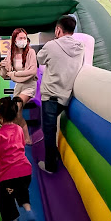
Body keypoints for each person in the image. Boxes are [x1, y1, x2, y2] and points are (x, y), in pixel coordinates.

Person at [37, 15, 84, 174]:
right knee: (52, 130)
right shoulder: (80, 47)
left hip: (50, 96)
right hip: (65, 97)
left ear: (58, 30)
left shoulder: (51, 46)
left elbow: (40, 59)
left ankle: (50, 166)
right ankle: (55, 155)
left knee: (48, 132)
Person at [0, 97, 35, 221]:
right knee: (22, 191)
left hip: (8, 175)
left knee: (6, 200)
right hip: (26, 171)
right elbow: (22, 144)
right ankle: (28, 208)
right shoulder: (19, 129)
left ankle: (14, 220)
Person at [0, 28, 38, 144]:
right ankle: (24, 138)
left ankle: (14, 137)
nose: (23, 40)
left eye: (25, 38)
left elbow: (32, 71)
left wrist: (14, 75)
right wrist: (2, 67)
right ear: (14, 39)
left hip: (29, 85)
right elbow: (5, 74)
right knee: (17, 113)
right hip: (18, 86)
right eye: (20, 38)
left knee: (16, 107)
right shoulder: (11, 53)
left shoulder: (31, 52)